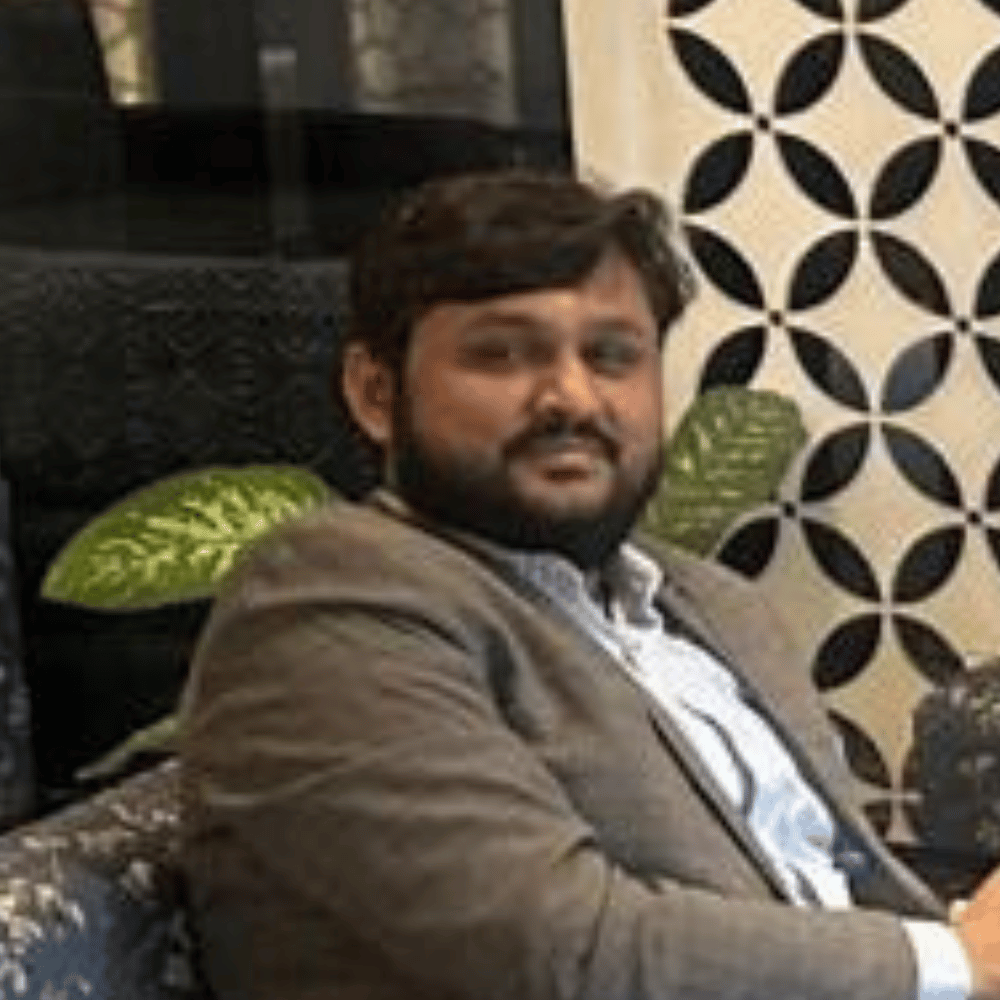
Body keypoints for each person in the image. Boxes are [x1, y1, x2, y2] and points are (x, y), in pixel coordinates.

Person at [179, 168, 1000, 1000]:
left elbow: (831, 886)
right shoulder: (327, 604)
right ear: (375, 393)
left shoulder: (711, 605)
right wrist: (957, 961)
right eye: (501, 353)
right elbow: (563, 952)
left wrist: (962, 939)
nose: (570, 397)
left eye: (612, 356)